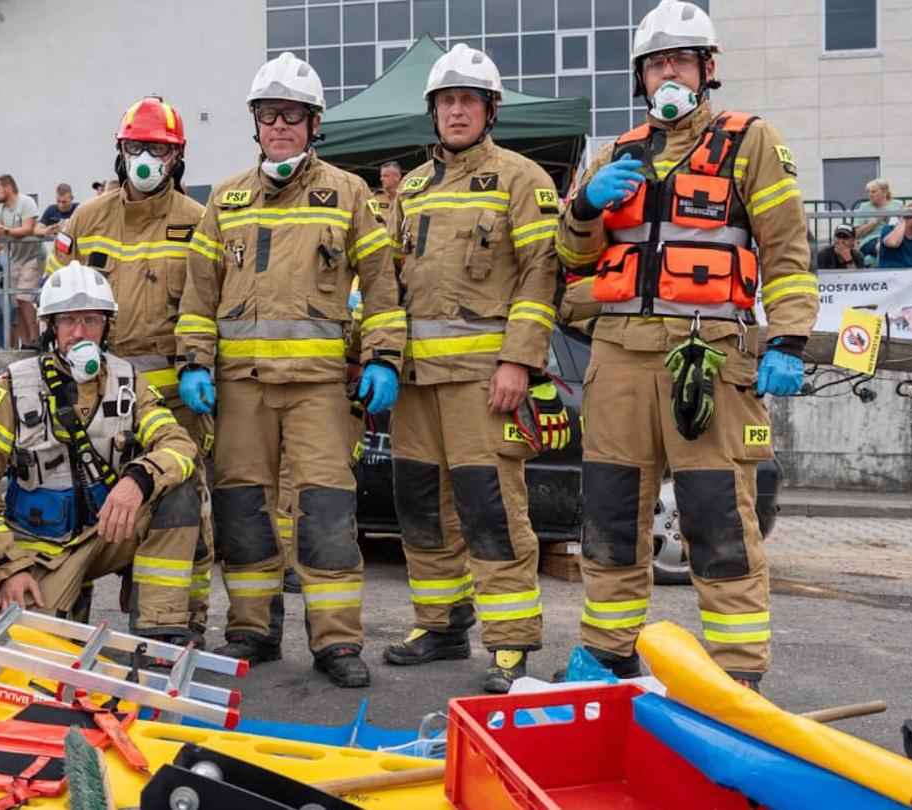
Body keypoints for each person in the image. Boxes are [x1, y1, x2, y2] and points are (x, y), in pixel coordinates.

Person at [554, 0, 818, 688]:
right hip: (616, 358)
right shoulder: (617, 152)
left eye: (680, 61)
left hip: (706, 360)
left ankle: (735, 677)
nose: (668, 73)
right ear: (641, 77)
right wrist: (584, 206)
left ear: (707, 70)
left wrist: (787, 338)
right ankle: (606, 655)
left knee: (716, 518)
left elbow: (787, 251)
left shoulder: (749, 141)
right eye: (656, 63)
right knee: (610, 513)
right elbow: (574, 258)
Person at [178, 52, 403, 687]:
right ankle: (252, 630)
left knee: (327, 512)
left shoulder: (350, 193)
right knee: (243, 509)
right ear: (257, 123)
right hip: (240, 387)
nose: (281, 126)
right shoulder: (225, 197)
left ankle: (336, 642)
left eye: (293, 116)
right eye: (270, 115)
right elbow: (199, 295)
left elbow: (383, 289)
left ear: (313, 124)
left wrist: (384, 358)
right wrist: (195, 362)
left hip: (318, 388)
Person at [371, 45, 561, 693]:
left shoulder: (522, 178)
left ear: (490, 109)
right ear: (433, 112)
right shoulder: (413, 188)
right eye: (446, 101)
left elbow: (544, 274)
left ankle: (509, 644)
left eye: (467, 100)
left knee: (491, 512)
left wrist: (520, 361)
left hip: (486, 382)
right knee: (420, 508)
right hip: (416, 385)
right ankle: (442, 624)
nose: (455, 111)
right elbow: (387, 280)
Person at [48, 95, 214, 637]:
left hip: (176, 400)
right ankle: (70, 606)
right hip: (95, 398)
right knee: (83, 493)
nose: (147, 158)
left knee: (188, 505)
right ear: (121, 151)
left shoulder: (198, 222)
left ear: (177, 158)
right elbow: (57, 301)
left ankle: (181, 621)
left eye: (159, 150)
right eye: (138, 147)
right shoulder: (86, 219)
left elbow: (207, 306)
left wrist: (199, 369)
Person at [0, 264, 203, 642]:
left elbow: (177, 444)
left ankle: (161, 630)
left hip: (108, 533)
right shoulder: (16, 386)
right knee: (25, 655)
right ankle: (67, 602)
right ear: (50, 327)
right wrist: (8, 567)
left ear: (107, 326)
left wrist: (138, 480)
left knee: (180, 491)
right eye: (68, 321)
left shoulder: (127, 380)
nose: (79, 333)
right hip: (38, 550)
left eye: (91, 320)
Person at [0, 175, 46, 348]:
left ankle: (36, 339)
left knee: (24, 297)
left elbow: (28, 228)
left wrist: (5, 230)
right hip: (13, 258)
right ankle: (26, 342)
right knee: (16, 303)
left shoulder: (26, 202)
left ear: (8, 188)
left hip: (33, 257)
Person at [854, 178, 901, 255]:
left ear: (884, 192)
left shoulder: (898, 205)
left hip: (894, 237)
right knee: (881, 247)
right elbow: (856, 234)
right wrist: (874, 221)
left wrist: (890, 219)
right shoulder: (864, 207)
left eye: (873, 192)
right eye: (868, 192)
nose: (870, 195)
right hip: (872, 239)